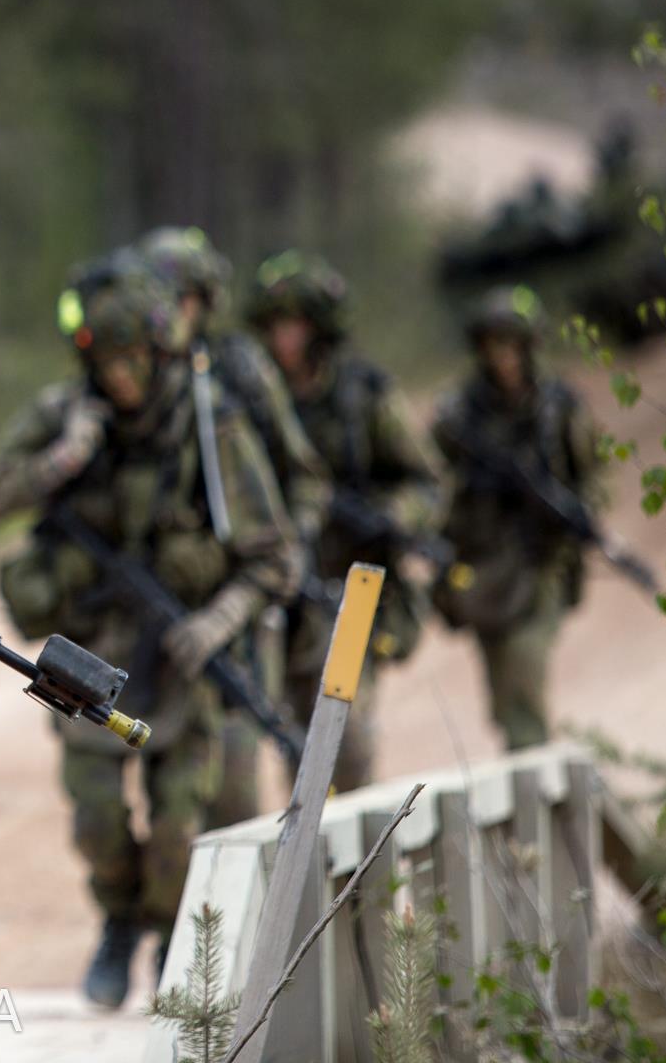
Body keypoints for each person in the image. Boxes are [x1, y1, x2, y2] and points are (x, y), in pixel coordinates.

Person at [0, 259, 298, 1010]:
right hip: (90, 655)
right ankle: (118, 921)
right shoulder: (68, 413)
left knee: (180, 828)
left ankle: (164, 933)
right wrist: (65, 457)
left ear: (158, 356)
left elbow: (276, 557)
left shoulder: (211, 428)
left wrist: (218, 620)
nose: (121, 379)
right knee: (95, 820)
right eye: (107, 362)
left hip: (184, 659)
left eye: (135, 362)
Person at [135, 226, 330, 825]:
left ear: (203, 300)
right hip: (167, 604)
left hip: (245, 600)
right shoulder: (138, 375)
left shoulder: (242, 371)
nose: (168, 311)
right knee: (171, 782)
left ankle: (253, 919)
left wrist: (280, 550)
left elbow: (305, 477)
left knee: (238, 787)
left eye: (180, 297)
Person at [245, 251, 444, 792]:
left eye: (296, 325)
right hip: (279, 593)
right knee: (295, 745)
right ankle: (312, 868)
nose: (285, 339)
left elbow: (428, 483)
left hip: (353, 590)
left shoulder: (363, 396)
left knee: (346, 745)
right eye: (275, 326)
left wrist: (392, 516)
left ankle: (358, 873)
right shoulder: (250, 402)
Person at [430, 286, 601, 751]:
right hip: (484, 568)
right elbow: (430, 482)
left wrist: (575, 513)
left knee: (524, 678)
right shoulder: (460, 415)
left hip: (541, 563)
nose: (503, 356)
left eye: (511, 344)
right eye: (493, 345)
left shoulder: (558, 408)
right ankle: (523, 761)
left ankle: (531, 775)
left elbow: (591, 477)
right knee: (504, 693)